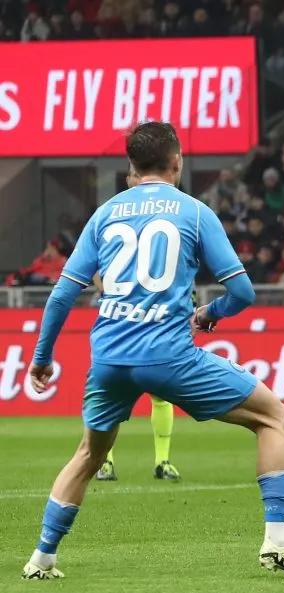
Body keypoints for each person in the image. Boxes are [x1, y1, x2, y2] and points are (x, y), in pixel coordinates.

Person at [21, 122, 284, 579]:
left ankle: (42, 558)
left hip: (109, 360)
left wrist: (41, 358)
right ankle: (278, 540)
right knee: (273, 416)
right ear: (177, 160)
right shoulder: (195, 212)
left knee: (88, 454)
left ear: (131, 166)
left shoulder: (104, 215)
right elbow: (242, 292)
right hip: (169, 357)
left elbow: (62, 295)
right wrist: (207, 314)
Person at [92, 166, 180, 483]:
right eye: (131, 175)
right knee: (111, 392)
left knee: (159, 393)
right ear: (128, 180)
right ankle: (104, 462)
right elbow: (93, 264)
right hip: (121, 318)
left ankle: (162, 461)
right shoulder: (113, 214)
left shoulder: (114, 214)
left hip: (153, 317)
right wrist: (110, 293)